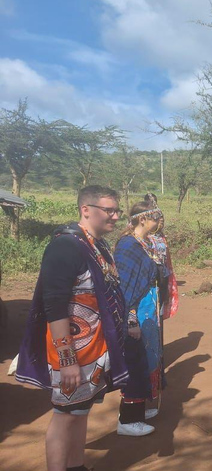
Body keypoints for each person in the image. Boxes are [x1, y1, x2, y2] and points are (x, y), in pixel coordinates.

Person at [16, 185, 129, 471]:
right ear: (86, 210)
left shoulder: (97, 245)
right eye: (109, 210)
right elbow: (54, 307)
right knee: (65, 415)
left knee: (81, 410)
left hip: (94, 349)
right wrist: (68, 361)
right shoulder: (65, 247)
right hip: (71, 353)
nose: (115, 216)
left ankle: (77, 466)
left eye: (117, 211)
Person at [113, 201, 166, 436]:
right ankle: (127, 420)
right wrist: (131, 319)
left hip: (148, 309)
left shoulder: (143, 243)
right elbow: (124, 290)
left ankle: (140, 409)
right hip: (135, 312)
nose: (158, 222)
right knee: (135, 360)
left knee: (147, 359)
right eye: (155, 217)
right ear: (142, 219)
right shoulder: (127, 246)